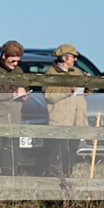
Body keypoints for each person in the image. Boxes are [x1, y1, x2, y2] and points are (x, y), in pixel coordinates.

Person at [0, 40, 29, 175]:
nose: (15, 64)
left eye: (18, 61)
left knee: (11, 158)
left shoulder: (18, 71)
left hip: (13, 120)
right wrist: (13, 94)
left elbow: (25, 87)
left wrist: (24, 93)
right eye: (12, 60)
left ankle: (10, 182)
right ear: (4, 56)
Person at [43, 43, 90, 177]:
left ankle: (67, 176)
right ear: (64, 58)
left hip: (77, 119)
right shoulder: (51, 73)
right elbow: (49, 95)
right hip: (61, 119)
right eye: (73, 57)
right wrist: (69, 89)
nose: (75, 59)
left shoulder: (77, 72)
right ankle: (53, 176)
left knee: (72, 150)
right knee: (59, 150)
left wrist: (88, 83)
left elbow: (85, 92)